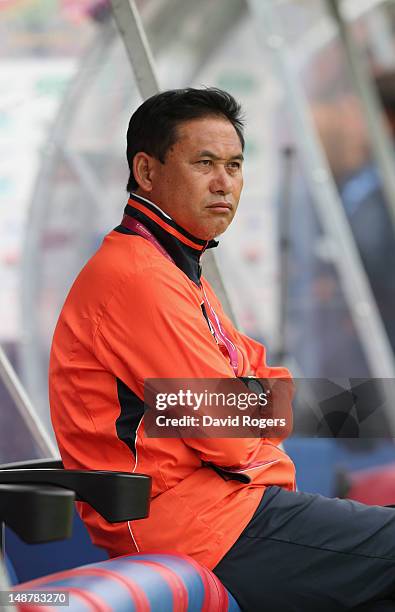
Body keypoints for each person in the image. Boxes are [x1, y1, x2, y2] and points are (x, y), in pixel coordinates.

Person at [49, 88, 395, 611]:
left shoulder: (173, 269)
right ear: (146, 172)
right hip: (204, 527)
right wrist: (248, 402)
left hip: (229, 510)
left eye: (234, 165)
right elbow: (229, 434)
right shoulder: (139, 279)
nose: (223, 183)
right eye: (203, 163)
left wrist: (246, 399)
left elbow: (257, 381)